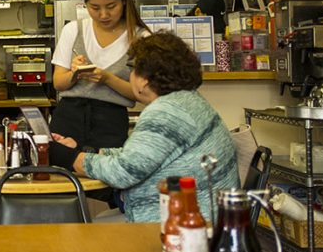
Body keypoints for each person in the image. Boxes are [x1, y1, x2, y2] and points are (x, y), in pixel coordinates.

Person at [51, 32, 240, 222]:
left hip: (181, 225)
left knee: (83, 234)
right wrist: (86, 151)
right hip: (205, 215)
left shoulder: (166, 112)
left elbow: (122, 173)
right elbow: (137, 158)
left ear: (145, 80)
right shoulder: (186, 101)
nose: (130, 75)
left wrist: (67, 156)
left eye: (132, 69)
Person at [50, 0, 149, 153]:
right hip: (68, 118)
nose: (103, 15)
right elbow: (58, 83)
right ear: (85, 4)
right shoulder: (73, 30)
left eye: (111, 6)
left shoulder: (140, 39)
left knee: (105, 178)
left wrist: (107, 79)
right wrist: (75, 74)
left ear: (124, 2)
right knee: (63, 177)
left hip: (110, 123)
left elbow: (142, 94)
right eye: (95, 8)